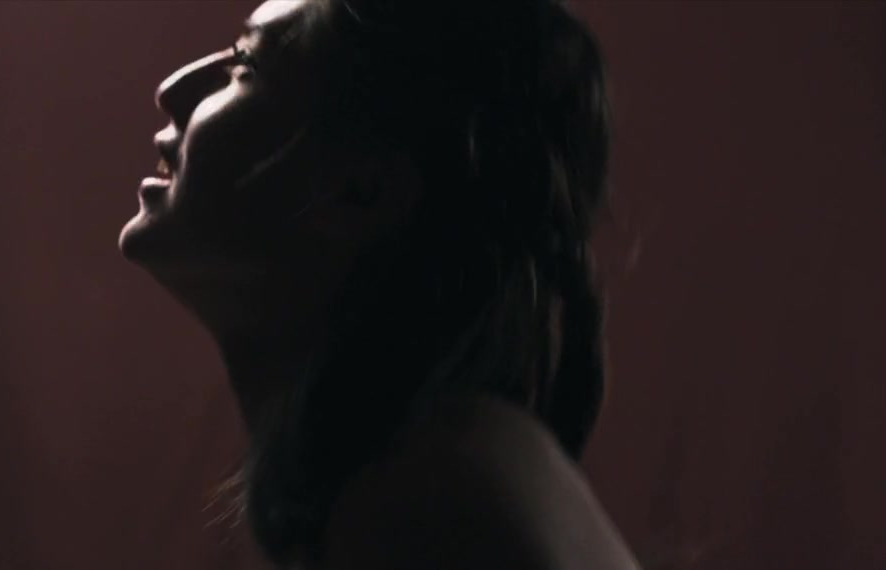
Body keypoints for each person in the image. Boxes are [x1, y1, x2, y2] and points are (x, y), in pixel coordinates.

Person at [119, 0, 639, 568]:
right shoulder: (430, 467)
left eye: (246, 64)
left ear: (362, 190)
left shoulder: (432, 502)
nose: (173, 89)